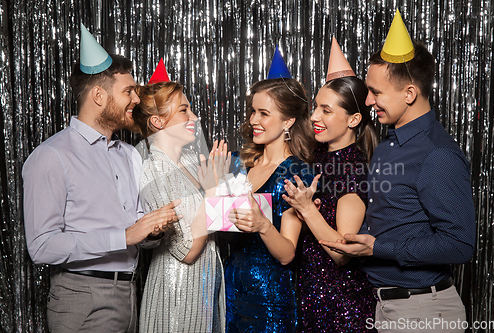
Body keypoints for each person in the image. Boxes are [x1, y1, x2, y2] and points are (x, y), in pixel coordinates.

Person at [321, 11, 476, 333]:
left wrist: (378, 248)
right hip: (383, 305)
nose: (367, 100)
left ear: (409, 94)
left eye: (375, 92)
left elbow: (460, 244)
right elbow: (392, 216)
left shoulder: (437, 155)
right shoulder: (388, 146)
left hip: (424, 311)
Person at [22, 25, 178, 333]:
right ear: (98, 95)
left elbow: (134, 224)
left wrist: (152, 231)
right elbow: (41, 246)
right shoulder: (51, 156)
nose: (137, 98)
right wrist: (124, 236)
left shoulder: (130, 154)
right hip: (82, 297)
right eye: (128, 91)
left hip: (131, 295)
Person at [282, 36, 378, 332]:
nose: (313, 117)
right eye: (315, 107)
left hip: (341, 307)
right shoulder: (316, 158)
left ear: (353, 120)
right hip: (311, 298)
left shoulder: (353, 168)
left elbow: (341, 251)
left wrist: (307, 210)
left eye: (326, 110)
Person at [224, 46, 317, 332]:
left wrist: (263, 225)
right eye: (253, 111)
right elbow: (220, 224)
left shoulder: (296, 173)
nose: (253, 120)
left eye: (264, 113)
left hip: (269, 301)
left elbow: (288, 253)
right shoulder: (237, 163)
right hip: (228, 291)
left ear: (288, 121)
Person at [133, 68, 228, 332]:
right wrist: (211, 192)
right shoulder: (152, 172)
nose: (194, 118)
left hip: (206, 285)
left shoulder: (189, 161)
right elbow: (186, 252)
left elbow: (215, 222)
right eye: (184, 110)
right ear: (157, 122)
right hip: (177, 293)